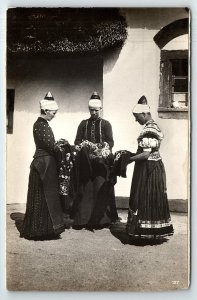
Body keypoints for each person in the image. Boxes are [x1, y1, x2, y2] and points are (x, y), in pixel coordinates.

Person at [125, 95, 174, 238]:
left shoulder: (149, 130)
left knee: (146, 197)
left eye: (137, 116)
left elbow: (146, 155)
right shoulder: (152, 127)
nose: (136, 120)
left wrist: (129, 159)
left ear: (144, 114)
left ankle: (145, 231)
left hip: (149, 169)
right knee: (152, 198)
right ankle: (152, 231)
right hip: (154, 166)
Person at [20, 92, 66, 240]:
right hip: (43, 165)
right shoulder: (41, 125)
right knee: (43, 196)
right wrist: (64, 147)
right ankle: (40, 230)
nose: (54, 115)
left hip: (43, 164)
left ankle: (42, 229)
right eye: (53, 112)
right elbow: (50, 146)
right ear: (46, 111)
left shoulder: (41, 124)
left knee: (43, 196)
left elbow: (49, 145)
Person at [71, 92, 119, 229]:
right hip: (86, 162)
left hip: (101, 162)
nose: (93, 113)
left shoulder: (106, 124)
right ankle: (83, 219)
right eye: (91, 110)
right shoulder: (83, 124)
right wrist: (83, 145)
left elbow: (110, 141)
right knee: (86, 189)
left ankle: (101, 221)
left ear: (101, 109)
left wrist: (101, 148)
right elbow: (77, 140)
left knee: (99, 187)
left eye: (96, 110)